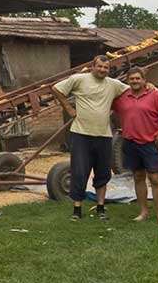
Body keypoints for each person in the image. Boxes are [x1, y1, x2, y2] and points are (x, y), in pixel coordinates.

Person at [52, 55, 129, 221]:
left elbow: (131, 90)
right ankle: (77, 210)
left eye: (106, 68)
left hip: (103, 135)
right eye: (99, 66)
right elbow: (56, 88)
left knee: (102, 172)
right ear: (93, 66)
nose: (102, 70)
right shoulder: (79, 79)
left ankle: (101, 208)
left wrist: (149, 85)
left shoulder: (113, 84)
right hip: (81, 134)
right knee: (79, 171)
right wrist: (68, 108)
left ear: (109, 69)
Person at [112, 66, 158, 225]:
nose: (135, 81)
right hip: (130, 143)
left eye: (138, 78)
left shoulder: (154, 95)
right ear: (127, 81)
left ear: (144, 80)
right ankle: (143, 212)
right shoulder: (122, 98)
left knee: (155, 179)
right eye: (132, 79)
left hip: (149, 144)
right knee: (138, 177)